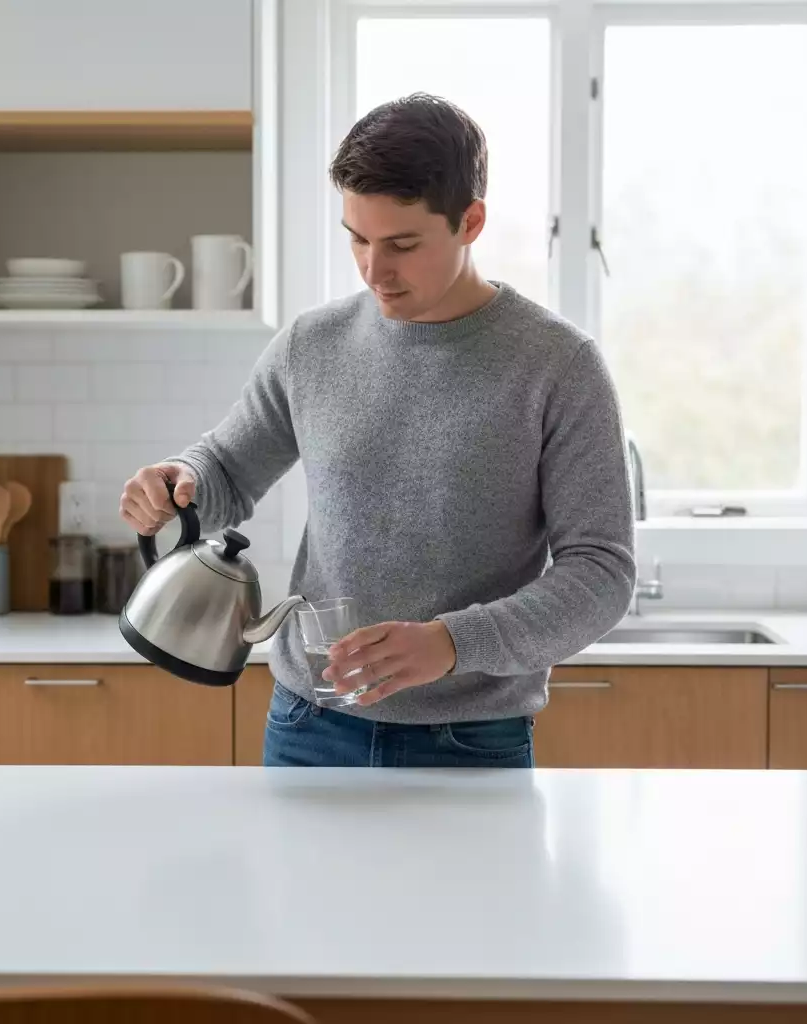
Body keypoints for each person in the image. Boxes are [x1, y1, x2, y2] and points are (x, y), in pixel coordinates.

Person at [120, 92, 636, 768]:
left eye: (402, 244)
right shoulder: (312, 345)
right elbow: (226, 468)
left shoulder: (558, 366)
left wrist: (453, 643)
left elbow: (601, 573)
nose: (373, 270)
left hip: (470, 740)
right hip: (308, 727)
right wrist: (177, 481)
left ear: (470, 221)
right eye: (357, 239)